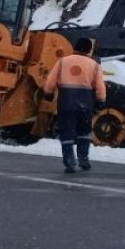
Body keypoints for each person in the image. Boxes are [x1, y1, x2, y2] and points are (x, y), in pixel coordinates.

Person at [43, 37, 106, 173]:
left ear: (75, 47)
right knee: (84, 131)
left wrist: (48, 94)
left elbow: (50, 82)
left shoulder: (62, 62)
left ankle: (69, 160)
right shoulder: (94, 65)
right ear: (89, 49)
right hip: (85, 102)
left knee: (66, 131)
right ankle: (83, 159)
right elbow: (100, 86)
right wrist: (100, 101)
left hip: (66, 102)